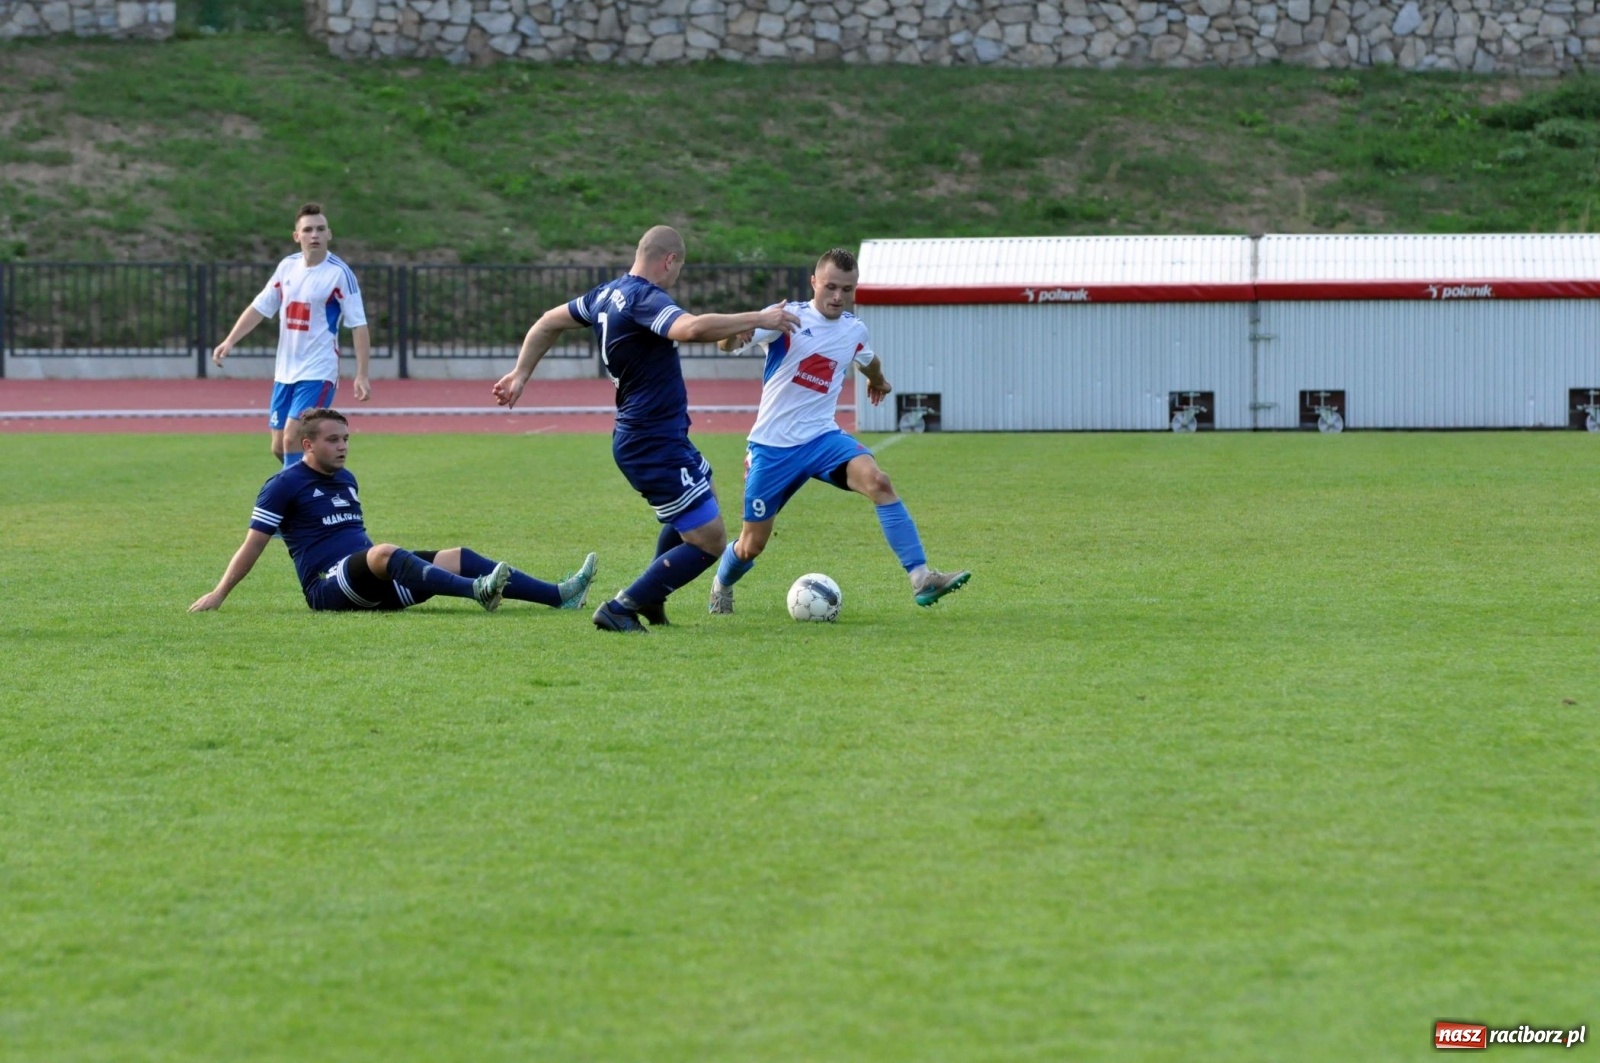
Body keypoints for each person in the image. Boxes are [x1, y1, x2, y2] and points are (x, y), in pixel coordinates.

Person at [493, 225, 800, 634]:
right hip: (650, 439)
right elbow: (689, 329)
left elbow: (548, 321)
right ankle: (623, 606)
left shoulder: (605, 293)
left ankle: (653, 600)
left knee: (699, 493)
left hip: (656, 435)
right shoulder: (643, 297)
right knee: (710, 540)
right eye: (679, 268)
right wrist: (761, 318)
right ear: (669, 260)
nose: (677, 278)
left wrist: (520, 373)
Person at [708, 247, 971, 613]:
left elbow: (867, 358)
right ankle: (722, 584)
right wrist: (744, 325)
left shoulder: (853, 329)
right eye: (830, 286)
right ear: (813, 282)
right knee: (752, 544)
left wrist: (879, 380)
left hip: (822, 439)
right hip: (772, 448)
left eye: (847, 289)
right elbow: (725, 345)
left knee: (879, 481)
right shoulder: (786, 320)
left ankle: (921, 577)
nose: (837, 296)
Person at [189, 408, 597, 615]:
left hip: (372, 581)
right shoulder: (283, 484)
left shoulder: (347, 479)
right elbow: (253, 544)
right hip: (327, 587)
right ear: (308, 445)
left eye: (346, 438)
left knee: (461, 556)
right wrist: (219, 594)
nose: (343, 446)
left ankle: (560, 596)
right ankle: (477, 592)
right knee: (384, 552)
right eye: (333, 440)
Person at [211, 203, 372, 468]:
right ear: (297, 236)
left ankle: (295, 505)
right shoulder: (287, 268)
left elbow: (359, 325)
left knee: (291, 439)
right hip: (285, 371)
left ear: (329, 234)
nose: (315, 235)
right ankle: (326, 482)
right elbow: (260, 307)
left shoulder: (340, 274)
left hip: (318, 371)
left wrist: (362, 374)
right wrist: (230, 340)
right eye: (308, 230)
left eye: (320, 229)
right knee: (279, 447)